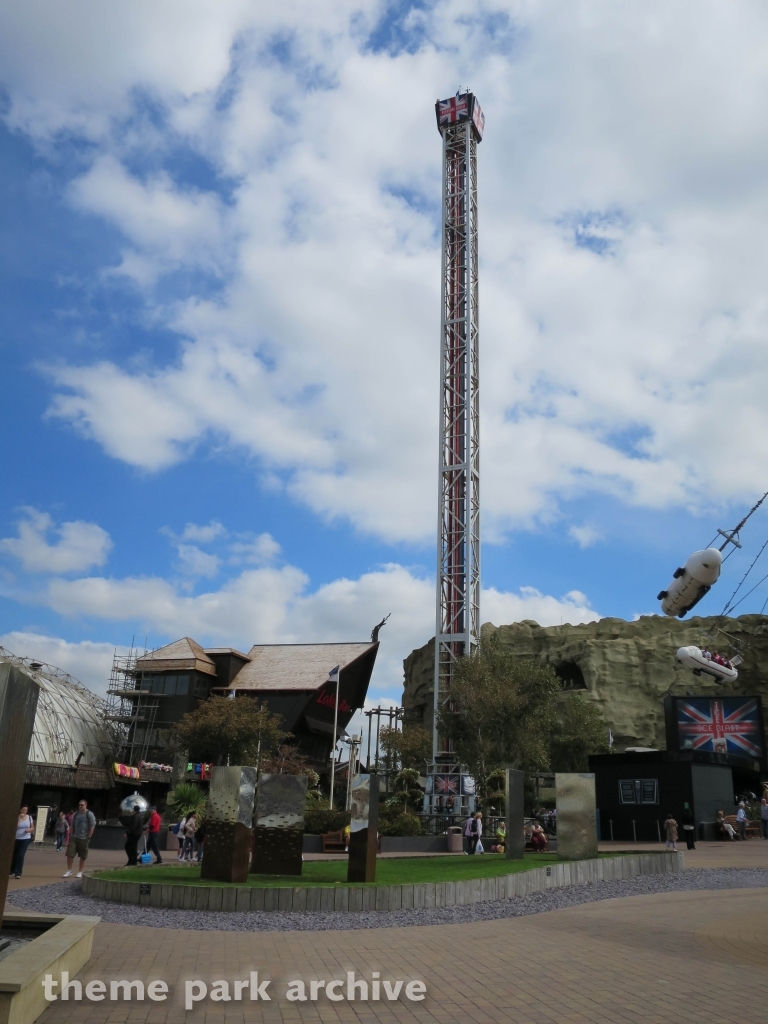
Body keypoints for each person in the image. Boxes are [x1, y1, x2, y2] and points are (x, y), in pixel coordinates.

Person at [63, 799, 96, 878]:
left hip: (84, 838)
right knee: (69, 854)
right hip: (75, 837)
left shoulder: (89, 814)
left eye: (82, 805)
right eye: (79, 805)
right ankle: (69, 870)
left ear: (86, 805)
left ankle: (80, 871)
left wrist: (89, 837)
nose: (80, 806)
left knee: (83, 855)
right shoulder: (76, 814)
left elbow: (92, 826)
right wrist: (72, 834)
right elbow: (72, 825)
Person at [10, 806, 34, 878]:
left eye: (25, 810)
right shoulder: (17, 817)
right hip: (16, 838)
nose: (24, 811)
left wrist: (29, 830)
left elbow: (32, 827)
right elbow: (14, 826)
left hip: (25, 839)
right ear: (20, 810)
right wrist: (20, 818)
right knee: (14, 855)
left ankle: (18, 873)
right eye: (23, 810)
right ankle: (11, 870)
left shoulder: (29, 817)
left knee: (21, 855)